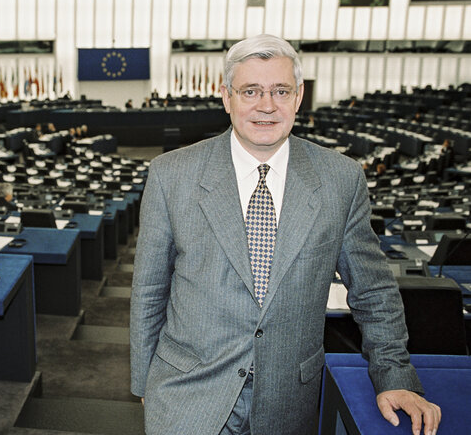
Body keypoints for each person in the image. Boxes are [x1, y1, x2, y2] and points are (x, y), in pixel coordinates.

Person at [130, 34, 441, 435]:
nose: (266, 105)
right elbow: (150, 289)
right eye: (250, 91)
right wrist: (143, 381)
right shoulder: (171, 174)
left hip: (289, 400)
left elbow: (373, 290)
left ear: (298, 97)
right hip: (185, 393)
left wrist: (394, 375)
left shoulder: (340, 179)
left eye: (280, 91)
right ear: (226, 97)